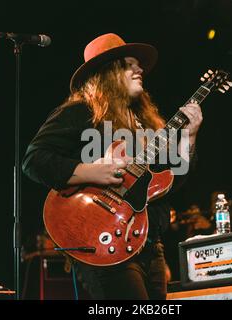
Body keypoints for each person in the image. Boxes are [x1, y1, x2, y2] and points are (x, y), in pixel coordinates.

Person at [22, 33, 202, 299]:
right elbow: (34, 160)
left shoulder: (146, 122)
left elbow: (169, 182)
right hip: (100, 240)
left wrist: (189, 137)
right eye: (130, 64)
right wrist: (94, 170)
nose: (140, 69)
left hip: (150, 244)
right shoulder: (80, 112)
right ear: (108, 71)